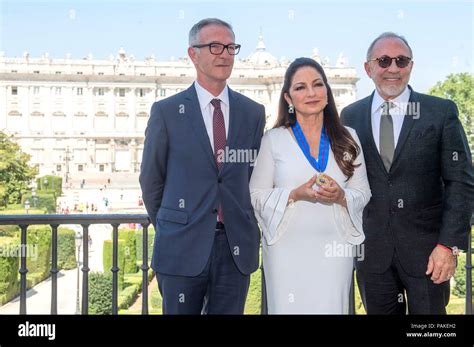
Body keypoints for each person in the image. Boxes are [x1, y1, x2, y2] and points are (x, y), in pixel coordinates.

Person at [341, 32, 474, 314]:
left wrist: (449, 245)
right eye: (384, 61)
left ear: (411, 66)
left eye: (401, 61)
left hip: (429, 256)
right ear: (368, 68)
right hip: (372, 255)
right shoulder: (350, 117)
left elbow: (460, 183)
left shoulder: (440, 112)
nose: (393, 68)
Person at [139, 18, 266, 314]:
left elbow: (252, 175)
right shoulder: (167, 112)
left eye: (231, 47)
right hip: (181, 247)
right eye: (214, 46)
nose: (224, 54)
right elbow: (151, 181)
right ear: (193, 54)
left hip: (235, 248)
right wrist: (174, 225)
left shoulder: (252, 113)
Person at [249, 57, 371, 313]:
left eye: (317, 84)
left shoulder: (349, 137)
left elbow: (363, 192)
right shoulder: (274, 139)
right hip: (286, 251)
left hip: (335, 250)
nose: (311, 93)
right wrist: (295, 194)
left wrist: (340, 196)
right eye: (300, 87)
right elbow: (256, 194)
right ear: (289, 99)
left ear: (327, 91)